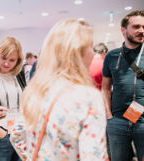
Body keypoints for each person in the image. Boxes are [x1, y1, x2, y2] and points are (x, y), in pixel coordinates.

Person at [10, 19, 108, 161]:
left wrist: (33, 156)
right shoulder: (88, 97)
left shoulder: (34, 90)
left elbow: (16, 134)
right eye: (90, 47)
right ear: (77, 53)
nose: (93, 53)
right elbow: (93, 156)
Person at [102, 10, 144, 161]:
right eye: (136, 26)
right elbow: (105, 88)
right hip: (117, 121)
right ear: (123, 30)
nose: (141, 30)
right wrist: (108, 115)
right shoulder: (112, 56)